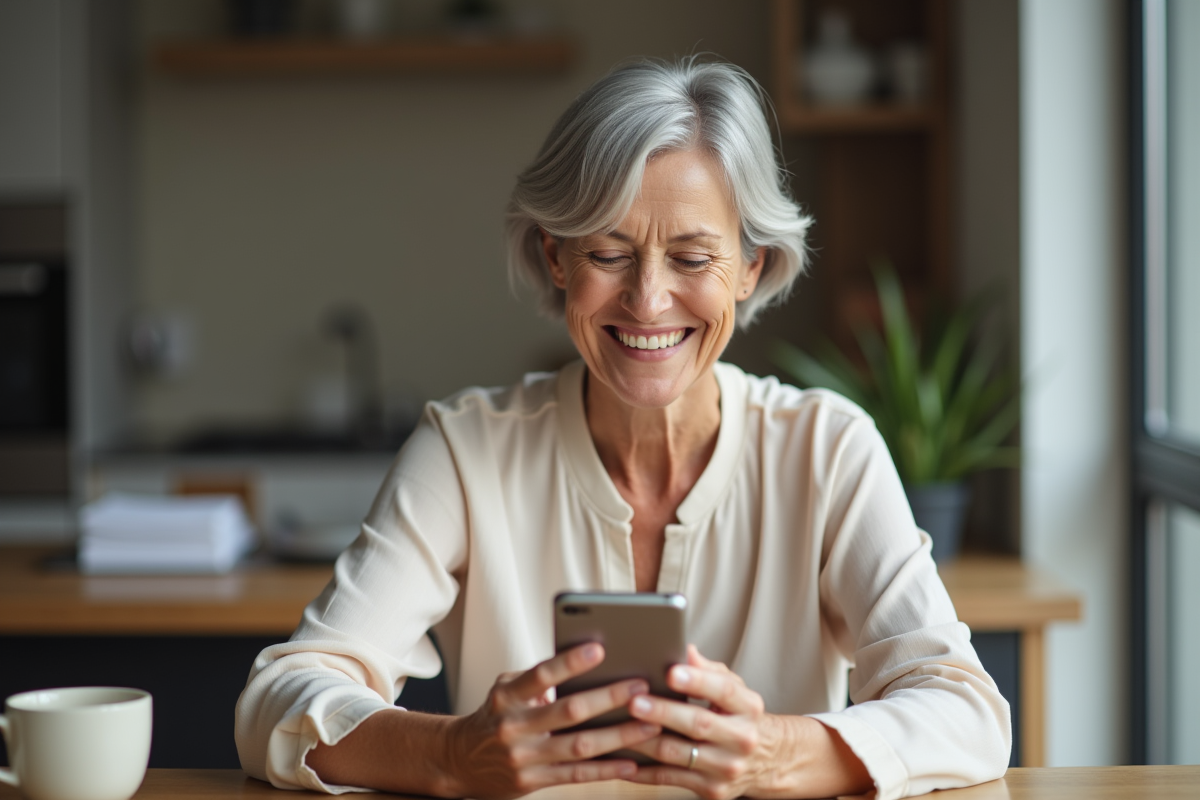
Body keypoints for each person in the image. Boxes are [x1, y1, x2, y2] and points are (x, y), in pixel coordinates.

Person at [235, 58, 1011, 800]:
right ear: (557, 257)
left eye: (692, 257)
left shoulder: (827, 451)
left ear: (749, 267)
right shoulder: (465, 452)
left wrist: (775, 752)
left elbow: (969, 713)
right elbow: (277, 701)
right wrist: (453, 756)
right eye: (610, 252)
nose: (647, 301)